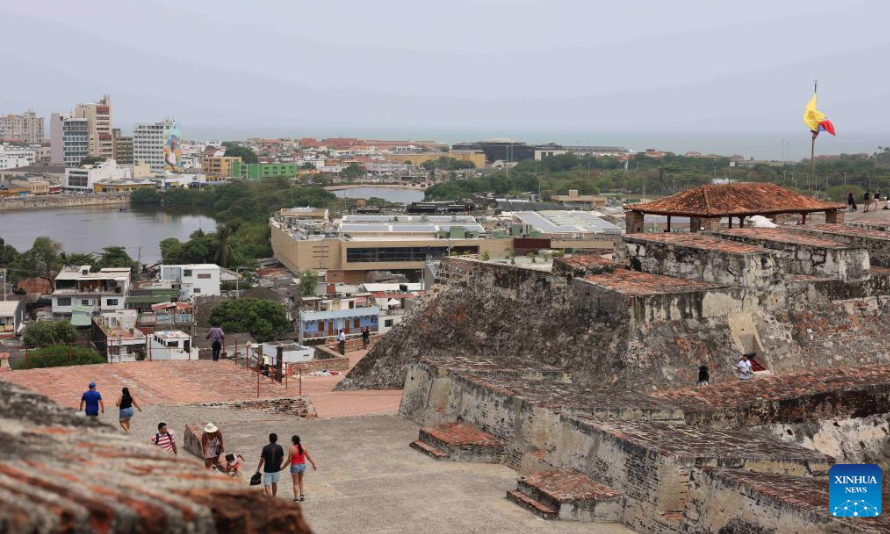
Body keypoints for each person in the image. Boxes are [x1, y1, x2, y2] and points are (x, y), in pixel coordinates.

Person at [285, 435, 317, 502]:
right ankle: (302, 495)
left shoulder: (292, 449)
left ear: (293, 441)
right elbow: (309, 457)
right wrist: (313, 463)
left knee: (295, 483)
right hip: (302, 466)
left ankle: (296, 498)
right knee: (300, 480)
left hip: (295, 466)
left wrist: (282, 467)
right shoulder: (303, 448)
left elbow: (288, 460)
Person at [256, 433, 285, 497]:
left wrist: (258, 469)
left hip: (267, 469)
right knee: (274, 483)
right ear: (276, 439)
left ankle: (270, 499)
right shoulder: (280, 447)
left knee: (267, 485)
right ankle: (274, 497)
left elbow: (262, 460)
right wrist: (279, 464)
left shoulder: (265, 448)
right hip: (276, 469)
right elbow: (282, 458)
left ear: (269, 439)